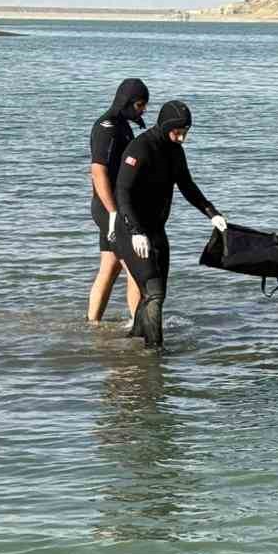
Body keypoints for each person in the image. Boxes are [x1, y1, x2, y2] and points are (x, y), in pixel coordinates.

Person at [114, 100, 226, 350]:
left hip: (156, 231)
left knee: (154, 295)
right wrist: (135, 231)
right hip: (131, 231)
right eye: (178, 132)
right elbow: (122, 192)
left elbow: (187, 186)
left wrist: (212, 213)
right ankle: (155, 352)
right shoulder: (139, 149)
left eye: (186, 132)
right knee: (154, 293)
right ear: (165, 126)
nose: (182, 138)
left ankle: (134, 341)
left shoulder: (175, 152)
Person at [86, 78, 149, 324]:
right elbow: (98, 171)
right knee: (136, 270)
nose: (142, 110)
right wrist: (113, 213)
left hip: (113, 207)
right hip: (108, 208)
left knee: (110, 266)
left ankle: (92, 324)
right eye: (140, 105)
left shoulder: (124, 125)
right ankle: (139, 327)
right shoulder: (107, 127)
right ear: (127, 102)